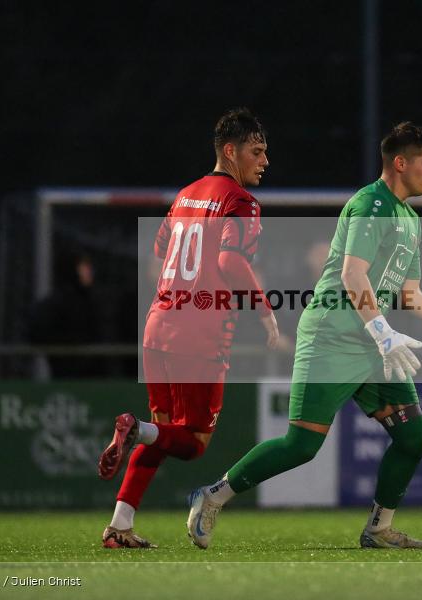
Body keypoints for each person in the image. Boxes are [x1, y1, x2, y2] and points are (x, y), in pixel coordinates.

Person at [186, 122, 422, 550]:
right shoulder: (371, 205)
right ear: (401, 163)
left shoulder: (409, 219)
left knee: (414, 437)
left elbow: (409, 294)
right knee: (301, 445)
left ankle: (378, 528)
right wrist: (383, 332)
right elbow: (353, 275)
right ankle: (212, 495)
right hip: (332, 336)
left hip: (374, 342)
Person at [95, 108, 280, 548]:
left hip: (158, 327)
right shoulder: (240, 201)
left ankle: (120, 526)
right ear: (231, 152)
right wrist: (265, 310)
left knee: (162, 435)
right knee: (194, 441)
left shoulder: (185, 195)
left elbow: (158, 255)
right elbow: (229, 260)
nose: (265, 160)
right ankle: (132, 428)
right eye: (257, 151)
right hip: (199, 335)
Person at [29, 251, 109, 378]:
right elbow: (37, 330)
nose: (88, 272)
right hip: (66, 374)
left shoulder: (94, 301)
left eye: (89, 268)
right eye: (83, 268)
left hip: (95, 376)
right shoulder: (58, 301)